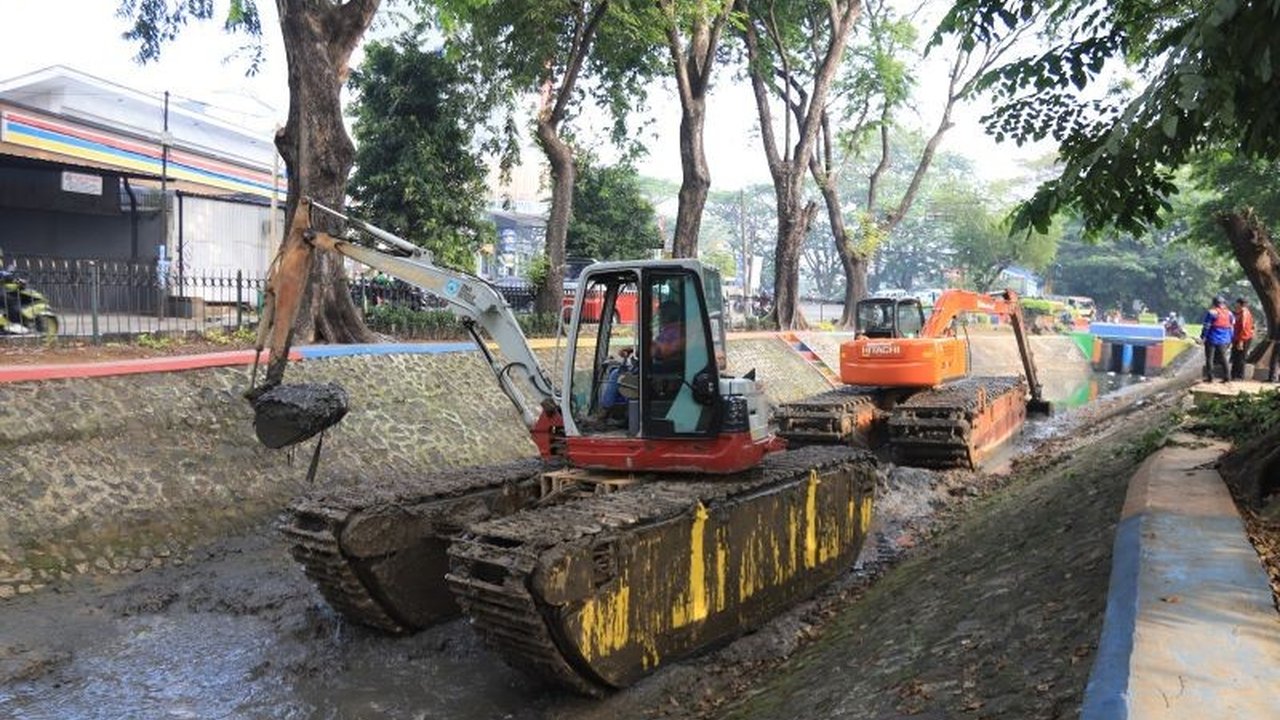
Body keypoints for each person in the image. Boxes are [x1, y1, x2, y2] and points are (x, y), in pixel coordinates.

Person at [1200, 295, 1234, 383]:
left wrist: (1203, 336)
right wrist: (1231, 338)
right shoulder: (1229, 313)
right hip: (1224, 339)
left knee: (1209, 358)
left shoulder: (1211, 312)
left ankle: (1210, 377)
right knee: (1223, 358)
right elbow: (1231, 326)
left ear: (1214, 303)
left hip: (1212, 339)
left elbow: (1206, 326)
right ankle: (1227, 377)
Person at [1230, 297, 1255, 380]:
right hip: (1237, 338)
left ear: (1239, 304)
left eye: (1237, 303)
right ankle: (1234, 375)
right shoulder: (1239, 313)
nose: (1235, 305)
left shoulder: (1245, 314)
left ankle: (1239, 376)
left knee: (1240, 357)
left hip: (1244, 338)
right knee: (1235, 356)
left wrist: (1241, 340)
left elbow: (1244, 328)